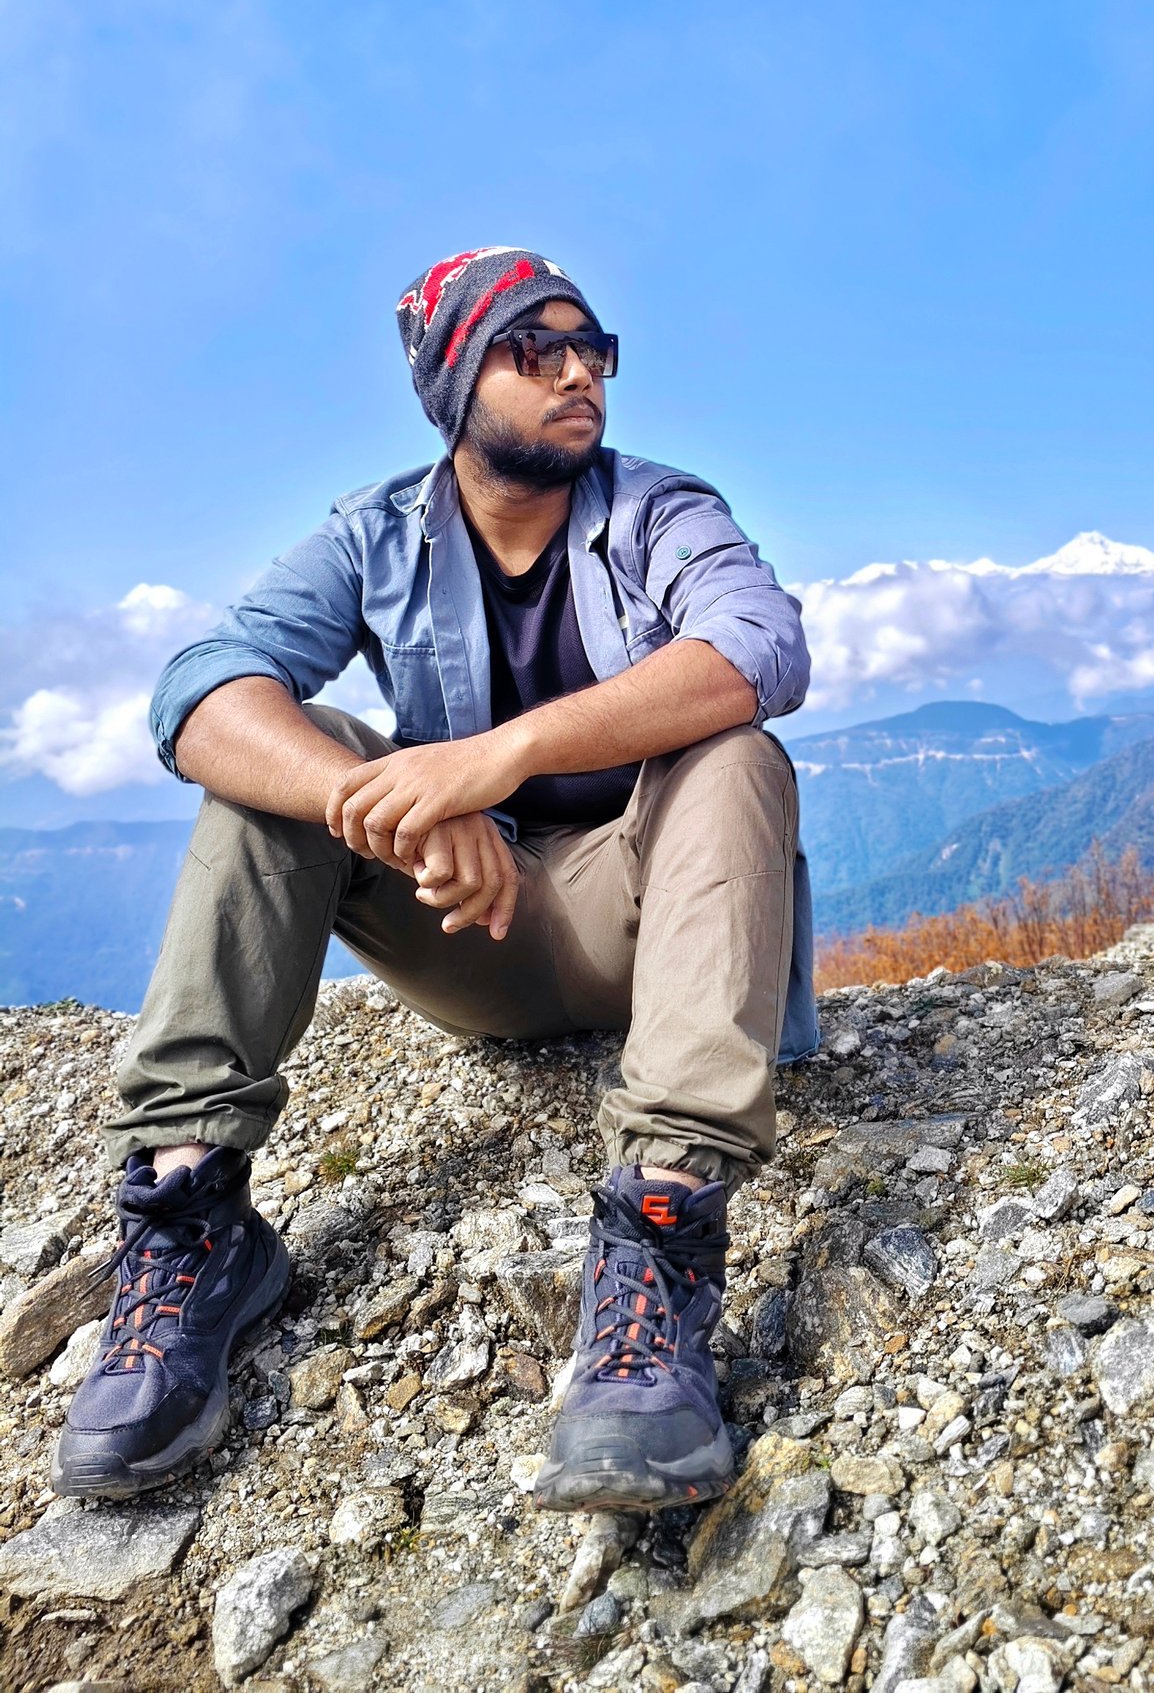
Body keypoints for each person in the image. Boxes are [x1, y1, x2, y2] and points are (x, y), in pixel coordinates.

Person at [53, 247, 815, 1515]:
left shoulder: (658, 509)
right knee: (281, 759)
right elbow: (199, 691)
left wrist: (492, 757)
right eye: (534, 348)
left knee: (735, 750)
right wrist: (398, 805)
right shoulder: (375, 533)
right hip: (478, 926)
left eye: (592, 348)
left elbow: (759, 645)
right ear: (454, 383)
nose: (578, 372)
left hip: (656, 929)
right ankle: (192, 1214)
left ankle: (661, 1240)